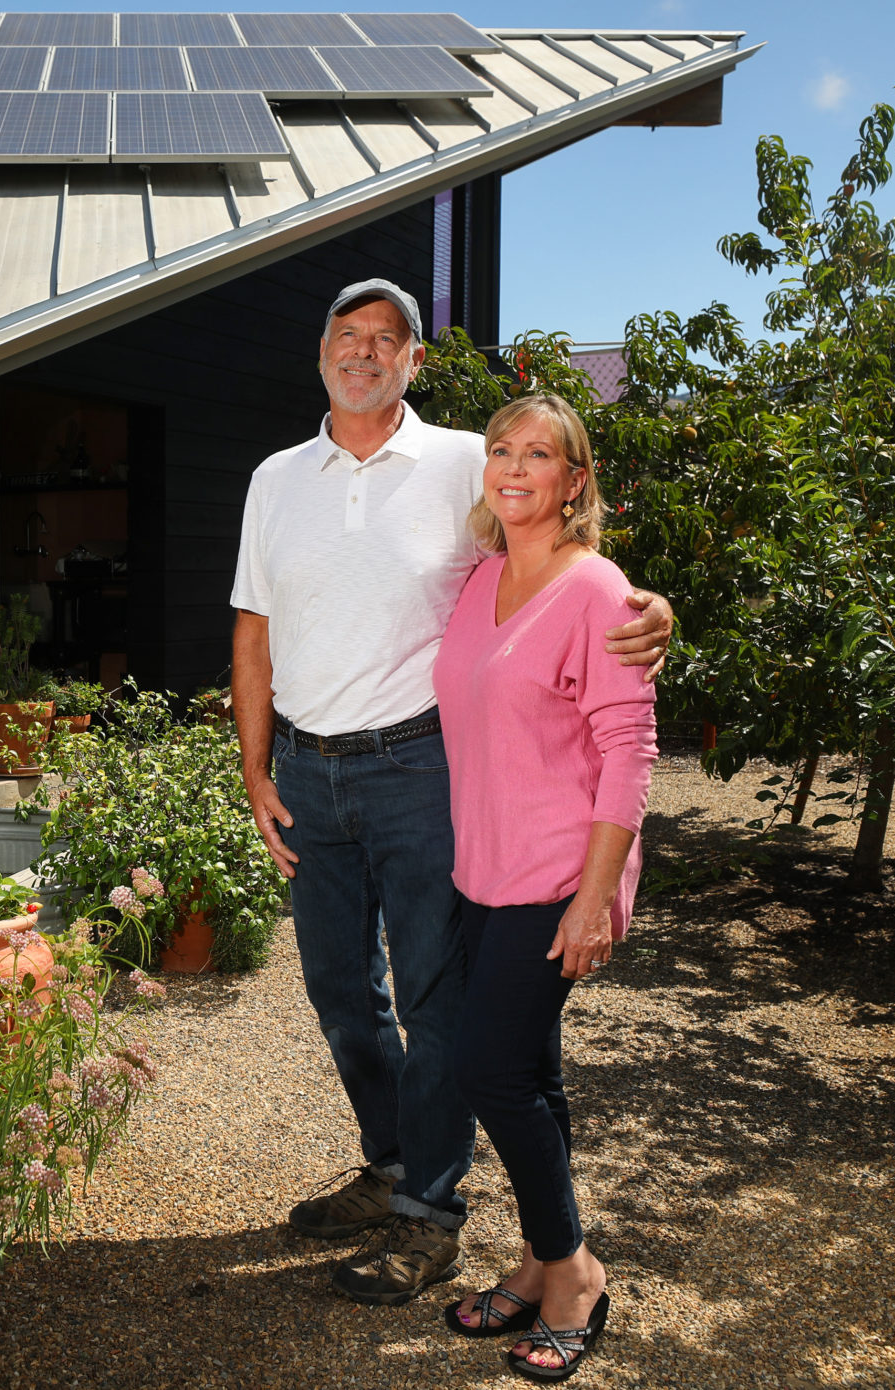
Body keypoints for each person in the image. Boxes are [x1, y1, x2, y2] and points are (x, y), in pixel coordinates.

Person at [229, 280, 671, 1306]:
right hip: (305, 769)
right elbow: (251, 630)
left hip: (418, 771)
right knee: (341, 995)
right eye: (347, 334)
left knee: (434, 1001)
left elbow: (570, 556)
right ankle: (389, 1163)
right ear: (322, 349)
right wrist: (252, 768)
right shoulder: (271, 478)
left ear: (413, 363)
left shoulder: (463, 459)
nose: (364, 351)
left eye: (387, 338)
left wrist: (656, 608)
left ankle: (428, 1209)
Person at [437, 393, 656, 1381]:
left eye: (539, 454)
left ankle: (572, 1273)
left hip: (558, 873)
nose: (513, 466)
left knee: (486, 1070)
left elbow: (628, 755)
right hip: (481, 869)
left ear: (574, 482)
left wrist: (592, 897)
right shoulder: (479, 575)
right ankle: (533, 1261)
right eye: (500, 449)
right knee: (529, 1072)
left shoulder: (597, 590)